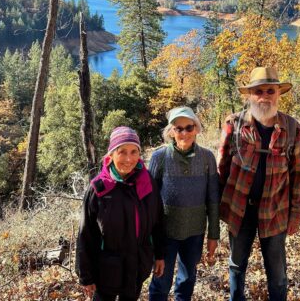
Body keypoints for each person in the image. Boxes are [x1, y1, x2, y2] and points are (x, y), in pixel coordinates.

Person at [217, 67, 300, 301]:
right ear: (249, 95)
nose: (264, 96)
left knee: (277, 272)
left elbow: (298, 172)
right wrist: (218, 207)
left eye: (270, 90)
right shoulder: (234, 124)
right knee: (236, 265)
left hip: (275, 211)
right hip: (240, 209)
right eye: (258, 91)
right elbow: (222, 166)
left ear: (278, 93)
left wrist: (296, 214)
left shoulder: (291, 127)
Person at [76, 126, 166, 301]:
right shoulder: (99, 189)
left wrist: (160, 255)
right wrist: (85, 275)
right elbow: (86, 235)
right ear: (111, 155)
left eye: (134, 152)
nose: (128, 159)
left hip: (138, 265)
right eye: (122, 152)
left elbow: (158, 222)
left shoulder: (147, 183)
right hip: (106, 270)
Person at [148, 106, 220, 301]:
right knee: (160, 281)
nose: (184, 133)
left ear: (196, 128)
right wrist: (151, 240)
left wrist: (213, 236)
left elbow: (213, 199)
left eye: (189, 127)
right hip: (166, 233)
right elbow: (149, 203)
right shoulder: (159, 158)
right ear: (171, 131)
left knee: (187, 281)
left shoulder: (207, 158)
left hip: (195, 232)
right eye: (179, 128)